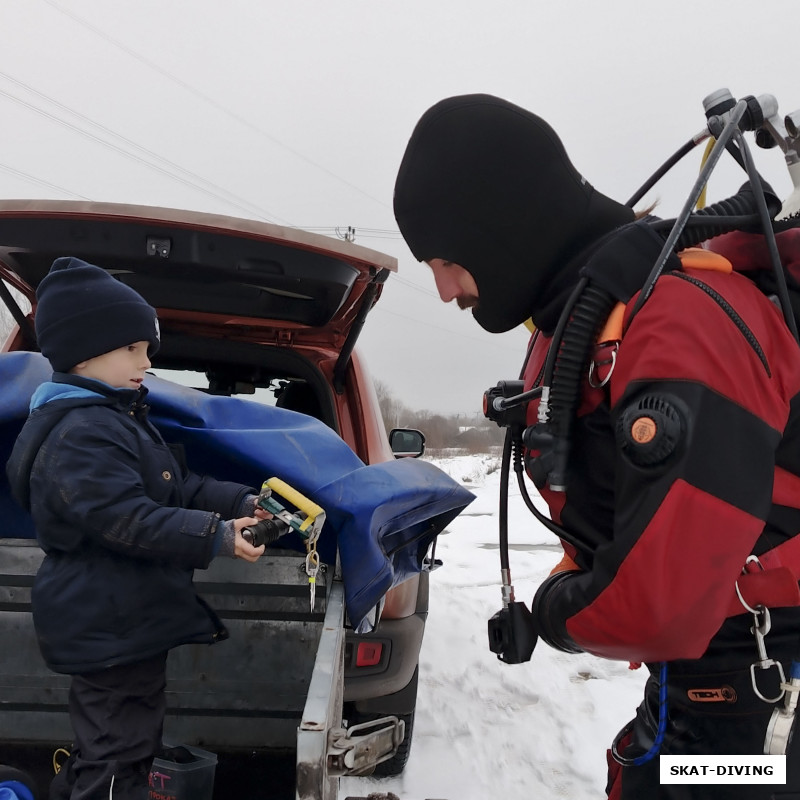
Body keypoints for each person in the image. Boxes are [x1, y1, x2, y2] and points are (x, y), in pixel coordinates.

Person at [393, 93, 800, 798]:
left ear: (498, 226)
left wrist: (554, 608)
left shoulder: (674, 319)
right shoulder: (592, 312)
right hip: (707, 687)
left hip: (755, 698)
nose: (442, 289)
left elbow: (661, 601)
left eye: (444, 259)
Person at [5, 257, 267, 800]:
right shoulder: (79, 432)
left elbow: (177, 488)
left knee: (120, 746)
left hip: (124, 625)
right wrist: (216, 535)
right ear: (83, 350)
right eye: (133, 348)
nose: (147, 362)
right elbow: (124, 519)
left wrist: (245, 500)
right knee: (117, 758)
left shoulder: (116, 417)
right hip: (107, 626)